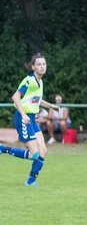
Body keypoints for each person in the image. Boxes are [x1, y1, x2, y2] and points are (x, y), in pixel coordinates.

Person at [1, 53, 56, 186]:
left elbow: (36, 100)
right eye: (39, 64)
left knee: (43, 150)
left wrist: (51, 106)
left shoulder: (40, 82)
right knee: (34, 154)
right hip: (23, 118)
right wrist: (24, 115)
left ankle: (31, 181)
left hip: (31, 119)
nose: (42, 67)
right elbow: (15, 97)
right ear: (33, 67)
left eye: (44, 64)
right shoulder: (29, 80)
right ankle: (3, 149)